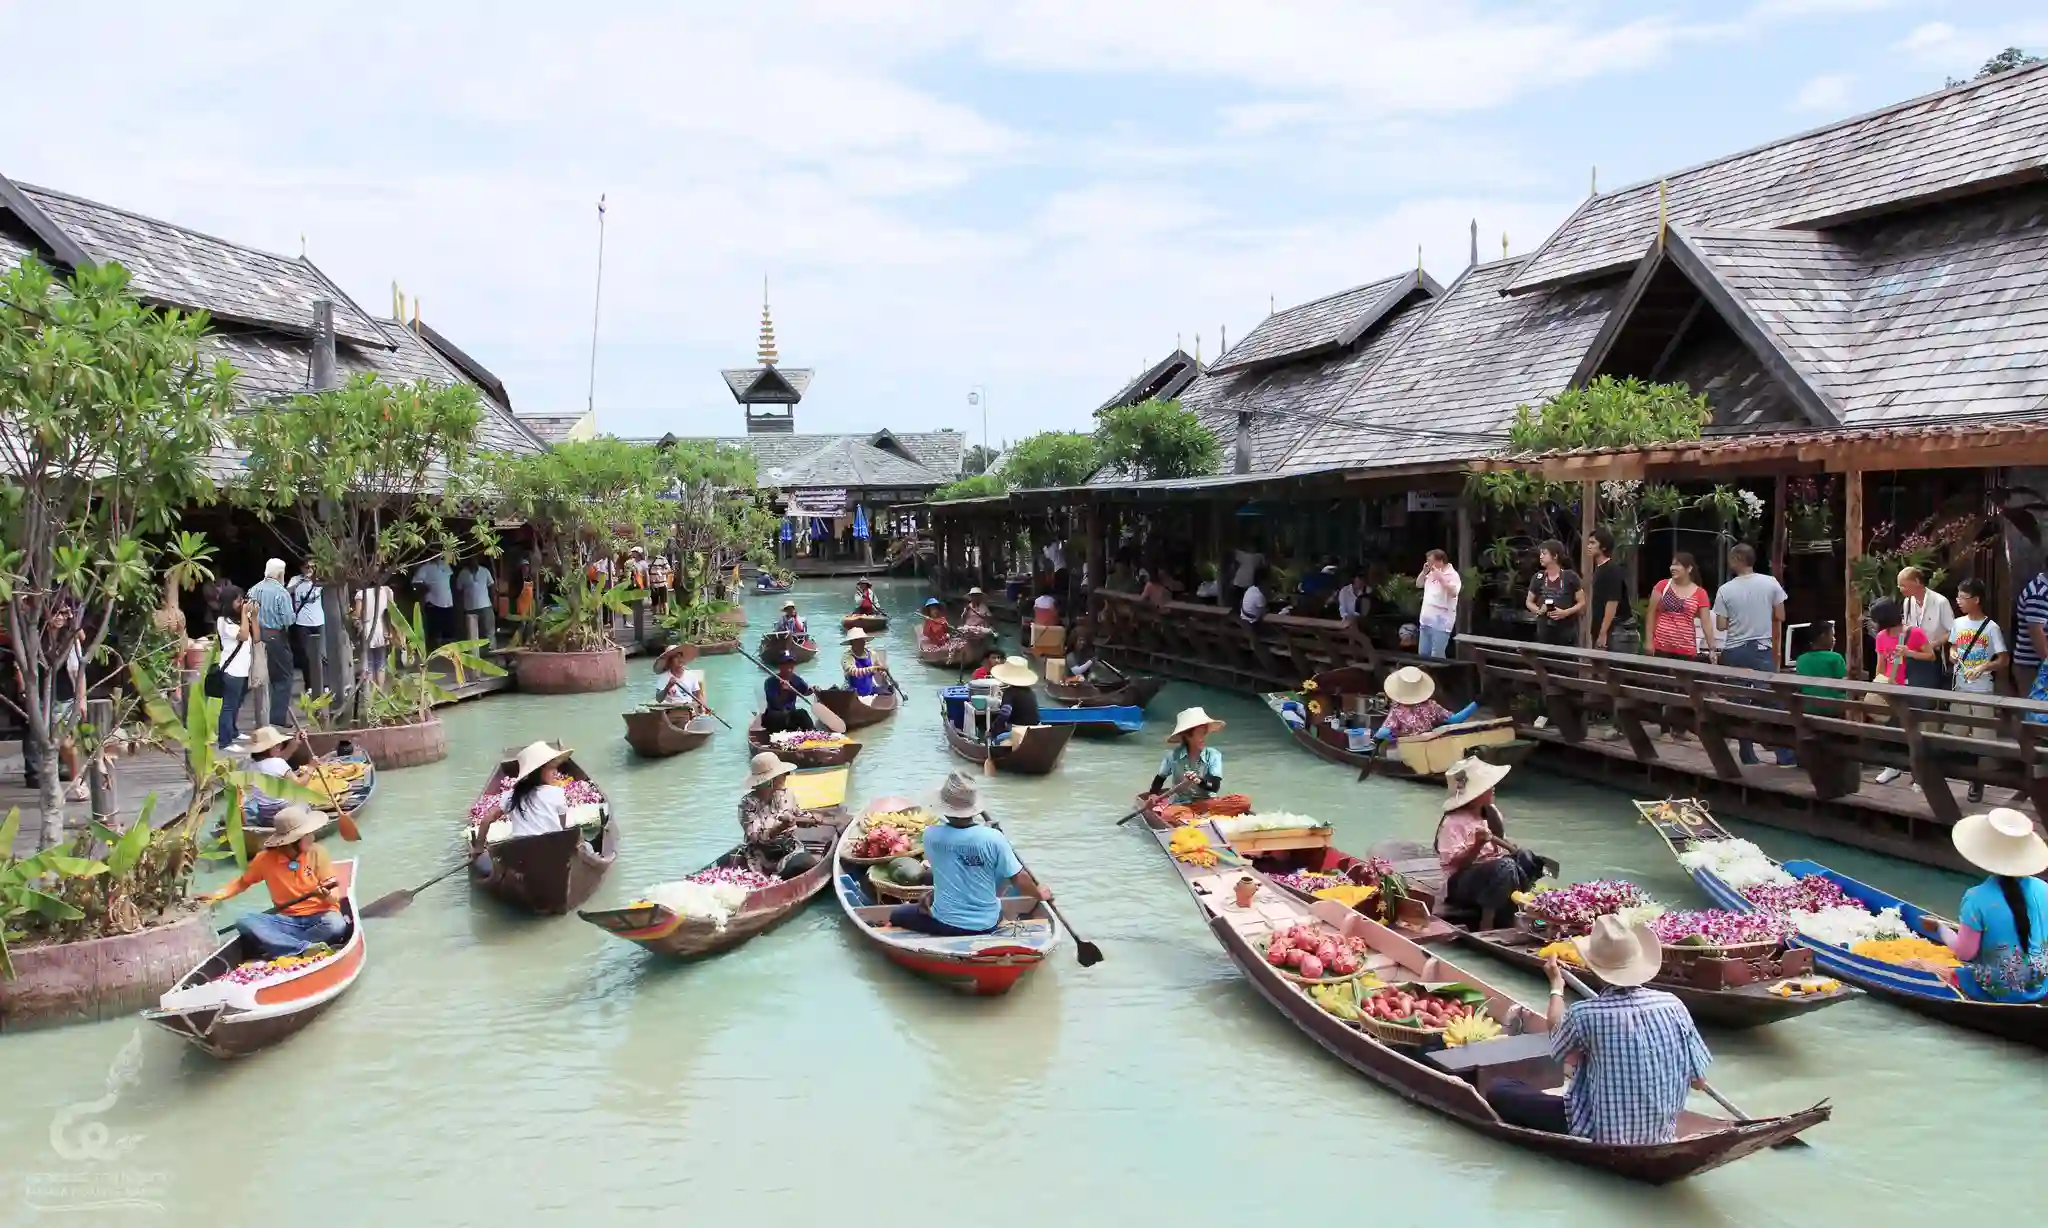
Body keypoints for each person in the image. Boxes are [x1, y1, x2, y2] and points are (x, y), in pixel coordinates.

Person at [1485, 916, 1712, 1145]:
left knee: (1499, 1088)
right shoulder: (1673, 1004)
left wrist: (1556, 986)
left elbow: (1557, 1044)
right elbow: (1698, 1081)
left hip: (1597, 1132)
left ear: (1593, 965)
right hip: (1661, 1132)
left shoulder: (1586, 1013)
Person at [887, 773, 1050, 937]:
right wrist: (1039, 894)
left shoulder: (931, 835)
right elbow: (1019, 878)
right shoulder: (994, 838)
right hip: (988, 923)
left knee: (897, 915)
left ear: (945, 808)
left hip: (945, 923)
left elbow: (944, 868)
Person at [1928, 807, 2048, 1003]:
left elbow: (1965, 953)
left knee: (1941, 970)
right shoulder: (2044, 889)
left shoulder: (1976, 898)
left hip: (1997, 990)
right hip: (2042, 984)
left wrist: (1941, 929)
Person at [197, 804, 348, 957]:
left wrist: (325, 895)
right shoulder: (264, 860)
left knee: (336, 925)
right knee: (245, 921)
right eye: (307, 835)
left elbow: (334, 896)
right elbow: (242, 883)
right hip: (288, 920)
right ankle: (302, 948)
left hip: (320, 918)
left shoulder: (317, 853)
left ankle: (282, 945)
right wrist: (217, 895)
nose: (312, 838)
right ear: (293, 841)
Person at [1433, 757, 1554, 930]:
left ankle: (1526, 912)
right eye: (1487, 787)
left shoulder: (1491, 814)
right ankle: (1487, 924)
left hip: (1494, 876)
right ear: (1475, 795)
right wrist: (1476, 845)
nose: (1493, 788)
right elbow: (1456, 865)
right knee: (1506, 867)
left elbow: (1502, 845)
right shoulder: (1453, 822)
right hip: (1460, 884)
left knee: (1525, 863)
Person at [1712, 544, 1792, 767]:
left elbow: (1720, 625)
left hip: (1735, 650)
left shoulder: (1725, 589)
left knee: (1740, 702)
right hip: (1761, 649)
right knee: (1771, 702)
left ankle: (1747, 755)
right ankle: (1784, 755)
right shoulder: (1770, 583)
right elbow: (1780, 615)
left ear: (1738, 559)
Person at [1948, 578, 2008, 802]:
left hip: (1982, 688)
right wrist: (1953, 654)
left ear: (1976, 599)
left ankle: (1978, 781)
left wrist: (1984, 666)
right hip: (1961, 687)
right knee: (1958, 733)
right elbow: (1953, 648)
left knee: (1983, 737)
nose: (1959, 601)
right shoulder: (1957, 623)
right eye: (1958, 596)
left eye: (1963, 597)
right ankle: (1964, 775)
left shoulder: (1991, 628)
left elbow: (2003, 659)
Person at [1870, 598, 1936, 784]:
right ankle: (1892, 767)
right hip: (1891, 687)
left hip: (1912, 686)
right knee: (1892, 727)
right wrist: (1878, 685)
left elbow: (1931, 656)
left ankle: (1919, 774)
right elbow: (1880, 664)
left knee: (1915, 731)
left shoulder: (1915, 633)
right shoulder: (1882, 636)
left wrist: (1909, 653)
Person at [737, 752, 818, 877]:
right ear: (771, 780)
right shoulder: (748, 804)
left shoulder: (787, 795)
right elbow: (758, 837)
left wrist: (813, 819)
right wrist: (781, 826)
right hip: (762, 856)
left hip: (790, 849)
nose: (786, 776)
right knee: (802, 864)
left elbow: (800, 815)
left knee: (807, 864)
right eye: (784, 774)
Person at [477, 742, 575, 844]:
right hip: (552, 849)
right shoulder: (556, 793)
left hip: (521, 853)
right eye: (551, 768)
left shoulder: (512, 796)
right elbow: (562, 827)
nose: (556, 772)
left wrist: (478, 848)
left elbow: (485, 820)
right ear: (537, 772)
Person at [1373, 666, 1479, 748]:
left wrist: (1378, 737)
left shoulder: (1397, 711)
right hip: (1430, 746)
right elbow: (1455, 720)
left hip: (1408, 750)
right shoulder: (1431, 705)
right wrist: (1476, 703)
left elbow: (1383, 732)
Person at [248, 558, 296, 725]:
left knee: (260, 675)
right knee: (283, 677)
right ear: (280, 574)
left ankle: (261, 717)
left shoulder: (253, 590)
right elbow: (288, 620)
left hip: (255, 636)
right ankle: (277, 718)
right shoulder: (281, 593)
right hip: (275, 636)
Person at [1648, 553, 1713, 663]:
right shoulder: (1662, 585)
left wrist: (1712, 649)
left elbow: (1706, 623)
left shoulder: (1700, 593)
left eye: (1677, 565)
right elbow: (1651, 613)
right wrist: (1649, 641)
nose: (1672, 568)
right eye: (1672, 565)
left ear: (1689, 569)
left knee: (1683, 679)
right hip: (1661, 647)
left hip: (1686, 649)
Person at [1898, 566, 1955, 689]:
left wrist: (1932, 644)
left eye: (1903, 585)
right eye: (1899, 586)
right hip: (1912, 655)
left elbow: (1952, 631)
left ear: (1917, 582)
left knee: (1930, 695)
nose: (1901, 589)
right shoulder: (1907, 602)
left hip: (1934, 655)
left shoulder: (1940, 602)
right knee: (1913, 693)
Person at [215, 593, 256, 750]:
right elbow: (244, 636)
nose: (241, 603)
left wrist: (250, 614)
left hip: (243, 669)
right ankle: (224, 741)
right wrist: (245, 613)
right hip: (232, 670)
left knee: (237, 703)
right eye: (238, 600)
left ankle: (233, 732)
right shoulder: (224, 622)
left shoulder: (236, 619)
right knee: (229, 705)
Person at [1525, 539, 1584, 646]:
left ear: (1555, 556)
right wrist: (1539, 610)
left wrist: (1565, 612)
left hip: (1566, 631)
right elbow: (1529, 602)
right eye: (1540, 553)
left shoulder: (1570, 576)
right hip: (1544, 631)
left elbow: (1581, 602)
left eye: (1544, 553)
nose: (1541, 556)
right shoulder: (1538, 577)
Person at [1586, 529, 1635, 654]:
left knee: (1612, 671)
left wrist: (1603, 632)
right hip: (1603, 628)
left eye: (1593, 543)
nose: (1589, 546)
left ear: (1603, 547)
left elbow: (1612, 602)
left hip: (1615, 630)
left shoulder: (1612, 569)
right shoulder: (1599, 569)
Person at [286, 558, 326, 696]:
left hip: (319, 621)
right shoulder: (295, 580)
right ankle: (309, 685)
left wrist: (315, 579)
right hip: (302, 623)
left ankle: (323, 684)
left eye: (312, 567)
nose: (309, 569)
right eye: (307, 567)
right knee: (306, 656)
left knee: (322, 654)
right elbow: (286, 592)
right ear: (301, 568)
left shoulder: (319, 580)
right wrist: (300, 582)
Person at [1794, 623, 1848, 715]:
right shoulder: (1836, 658)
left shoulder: (1801, 659)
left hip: (1808, 708)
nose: (1834, 639)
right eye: (1832, 635)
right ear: (1823, 636)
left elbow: (1800, 687)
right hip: (1833, 708)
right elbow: (1844, 684)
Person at [2012, 565, 2048, 696]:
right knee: (2034, 713)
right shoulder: (2038, 593)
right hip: (2034, 667)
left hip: (2040, 666)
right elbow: (2036, 633)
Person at [1418, 551, 1461, 658]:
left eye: (1431, 561)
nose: (1428, 564)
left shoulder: (1453, 575)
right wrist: (1424, 572)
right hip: (1426, 621)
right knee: (1423, 654)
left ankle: (1441, 675)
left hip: (1441, 623)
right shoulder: (1431, 572)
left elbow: (1453, 592)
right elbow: (1418, 584)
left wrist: (1441, 578)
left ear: (1440, 561)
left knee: (1437, 656)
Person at [355, 575, 396, 683]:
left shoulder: (361, 594)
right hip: (383, 628)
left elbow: (358, 614)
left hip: (367, 629)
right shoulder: (386, 591)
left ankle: (371, 694)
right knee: (381, 663)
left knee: (369, 664)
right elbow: (393, 611)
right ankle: (380, 693)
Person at [988, 654, 1041, 738]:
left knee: (997, 735)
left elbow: (1005, 713)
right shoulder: (1030, 692)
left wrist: (992, 730)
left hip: (1018, 730)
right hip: (1034, 729)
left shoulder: (1010, 692)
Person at [762, 652, 816, 734]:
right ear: (780, 666)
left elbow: (805, 692)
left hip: (790, 715)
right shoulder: (770, 682)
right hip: (775, 717)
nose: (789, 667)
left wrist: (812, 690)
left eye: (791, 664)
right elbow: (776, 704)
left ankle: (813, 735)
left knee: (802, 713)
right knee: (776, 715)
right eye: (786, 664)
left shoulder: (796, 679)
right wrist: (783, 691)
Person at [412, 553, 456, 649]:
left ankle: (448, 652)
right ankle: (435, 652)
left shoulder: (445, 564)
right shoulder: (425, 567)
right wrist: (425, 589)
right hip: (433, 603)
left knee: (448, 630)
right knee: (434, 630)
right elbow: (415, 583)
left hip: (448, 602)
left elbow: (450, 579)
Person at [653, 644, 708, 710]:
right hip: (670, 709)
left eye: (681, 657)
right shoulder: (664, 677)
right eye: (676, 657)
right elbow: (659, 699)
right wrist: (668, 687)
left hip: (688, 709)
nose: (680, 660)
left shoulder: (691, 675)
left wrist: (703, 708)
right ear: (669, 661)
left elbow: (698, 696)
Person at [456, 558, 496, 646]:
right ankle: (475, 652)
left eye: (475, 560)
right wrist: (461, 607)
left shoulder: (485, 571)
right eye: (471, 560)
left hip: (485, 606)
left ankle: (492, 650)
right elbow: (459, 591)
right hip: (470, 608)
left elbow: (492, 587)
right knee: (472, 633)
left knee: (489, 632)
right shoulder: (463, 573)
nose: (473, 562)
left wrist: (494, 602)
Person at [842, 627, 885, 698]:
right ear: (851, 643)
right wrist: (873, 668)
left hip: (870, 690)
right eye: (855, 641)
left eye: (861, 641)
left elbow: (880, 670)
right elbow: (854, 672)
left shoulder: (872, 654)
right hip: (851, 693)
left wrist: (884, 673)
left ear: (864, 642)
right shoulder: (847, 657)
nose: (858, 644)